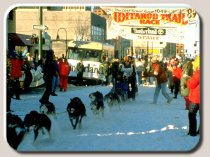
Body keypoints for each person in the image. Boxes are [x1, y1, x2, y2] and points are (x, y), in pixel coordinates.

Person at [186, 55, 200, 136]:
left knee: (191, 114)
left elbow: (192, 85)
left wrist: (188, 80)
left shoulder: (198, 72)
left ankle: (192, 132)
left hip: (196, 97)